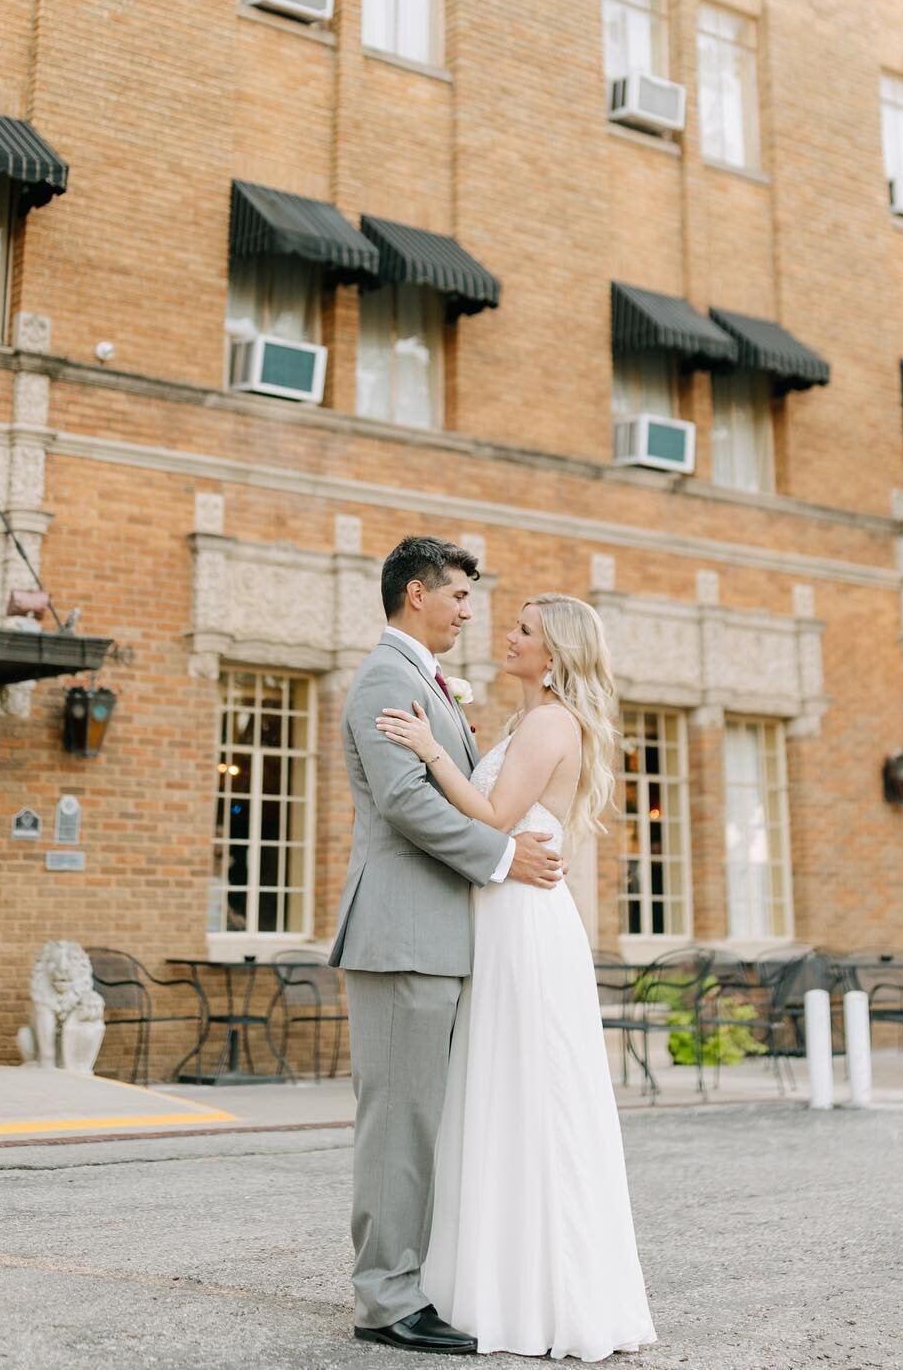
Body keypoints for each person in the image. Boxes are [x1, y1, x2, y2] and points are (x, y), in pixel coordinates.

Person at [377, 590, 656, 1361]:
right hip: (503, 916)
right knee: (498, 1093)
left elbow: (494, 817)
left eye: (525, 630)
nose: (509, 635)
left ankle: (542, 1298)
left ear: (556, 653)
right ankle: (491, 1283)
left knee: (532, 1095)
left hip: (525, 924)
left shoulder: (549, 721)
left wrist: (430, 747)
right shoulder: (525, 722)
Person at [331, 536, 566, 1355]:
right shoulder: (386, 681)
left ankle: (410, 1280)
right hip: (402, 934)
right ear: (416, 594)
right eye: (459, 595)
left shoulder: (424, 681)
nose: (470, 611)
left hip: (439, 934)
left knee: (422, 1120)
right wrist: (503, 858)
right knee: (398, 1122)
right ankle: (386, 1299)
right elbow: (405, 803)